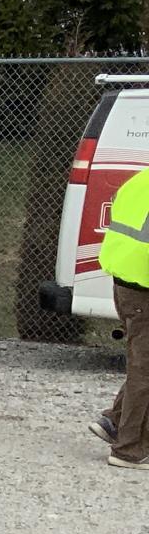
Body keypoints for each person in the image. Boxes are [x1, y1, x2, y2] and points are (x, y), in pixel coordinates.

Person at [92, 164, 149, 470]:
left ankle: (114, 421)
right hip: (144, 285)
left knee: (142, 361)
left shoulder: (140, 179)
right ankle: (130, 449)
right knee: (146, 370)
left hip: (124, 282)